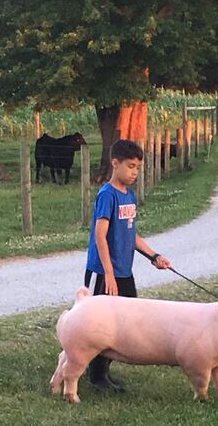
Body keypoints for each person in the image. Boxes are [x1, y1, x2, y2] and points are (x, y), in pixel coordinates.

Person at [84, 139, 171, 391]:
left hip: (124, 270)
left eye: (138, 168)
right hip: (105, 272)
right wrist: (108, 274)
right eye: (130, 166)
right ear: (115, 163)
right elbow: (100, 236)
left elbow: (130, 233)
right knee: (102, 325)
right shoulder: (107, 195)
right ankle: (96, 376)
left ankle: (104, 372)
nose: (134, 172)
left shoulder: (128, 196)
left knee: (125, 322)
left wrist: (154, 256)